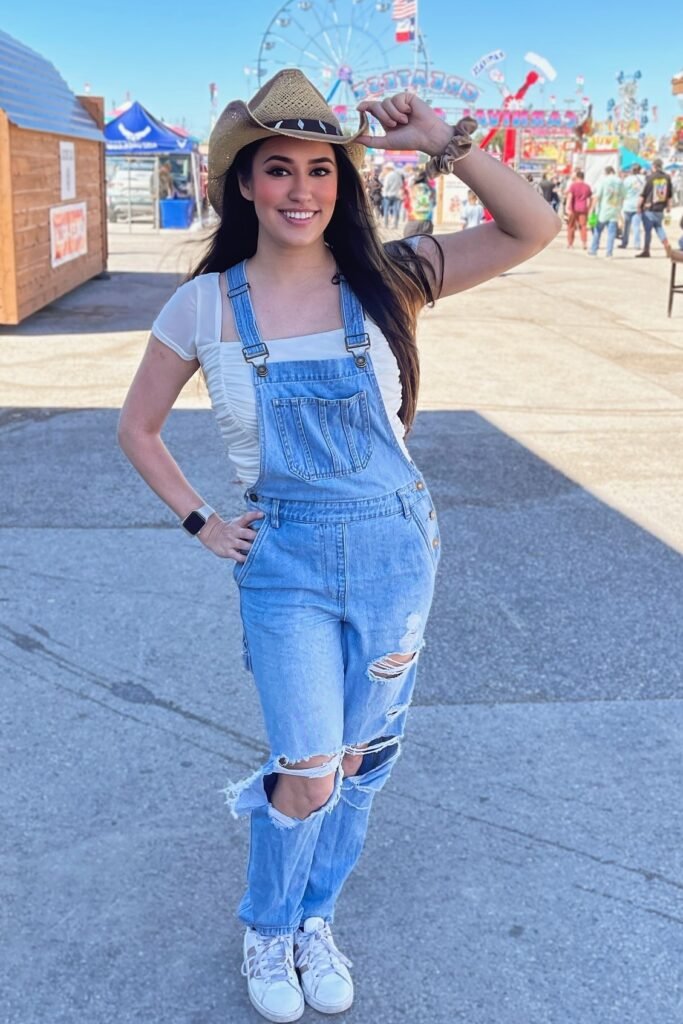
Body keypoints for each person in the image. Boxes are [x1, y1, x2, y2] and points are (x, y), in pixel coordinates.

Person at [117, 70, 560, 1024]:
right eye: (278, 169)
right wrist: (202, 521)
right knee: (309, 763)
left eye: (321, 170)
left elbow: (533, 228)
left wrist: (442, 140)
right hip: (284, 566)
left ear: (344, 183)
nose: (300, 190)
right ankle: (268, 926)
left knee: (363, 759)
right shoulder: (203, 307)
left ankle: (318, 917)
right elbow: (139, 429)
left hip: (399, 549)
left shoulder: (388, 279)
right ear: (244, 183)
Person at [636, 158, 674, 258]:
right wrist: (669, 207)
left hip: (649, 208)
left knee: (647, 231)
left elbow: (643, 194)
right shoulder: (667, 177)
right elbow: (670, 195)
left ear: (654, 166)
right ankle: (666, 244)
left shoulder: (650, 177)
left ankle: (646, 250)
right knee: (659, 227)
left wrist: (638, 206)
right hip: (660, 208)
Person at [589, 166, 624, 257]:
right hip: (614, 210)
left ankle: (593, 249)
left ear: (607, 172)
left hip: (603, 211)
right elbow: (623, 196)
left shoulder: (603, 181)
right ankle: (609, 252)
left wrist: (592, 208)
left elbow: (597, 196)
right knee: (611, 233)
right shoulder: (620, 182)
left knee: (597, 230)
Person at [618, 165, 644, 250]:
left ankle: (624, 242)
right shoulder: (643, 179)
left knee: (626, 226)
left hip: (628, 204)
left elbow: (622, 192)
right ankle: (637, 244)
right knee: (636, 226)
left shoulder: (627, 179)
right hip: (638, 205)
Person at [403, 169, 436, 237]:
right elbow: (434, 203)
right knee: (424, 243)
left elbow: (407, 204)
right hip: (427, 221)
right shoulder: (432, 189)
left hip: (414, 220)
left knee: (409, 243)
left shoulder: (413, 189)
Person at [565, 168, 592, 249]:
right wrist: (589, 208)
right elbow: (590, 198)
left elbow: (570, 196)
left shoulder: (573, 185)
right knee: (583, 226)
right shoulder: (587, 186)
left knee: (571, 226)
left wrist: (567, 207)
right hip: (583, 208)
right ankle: (584, 243)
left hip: (573, 208)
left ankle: (570, 244)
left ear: (577, 177)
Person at [380, 162, 404, 228]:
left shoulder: (388, 176)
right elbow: (401, 185)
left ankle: (386, 224)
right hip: (396, 195)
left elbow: (386, 186)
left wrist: (383, 193)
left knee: (386, 210)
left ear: (388, 169)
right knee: (396, 210)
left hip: (388, 195)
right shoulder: (398, 175)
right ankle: (395, 225)